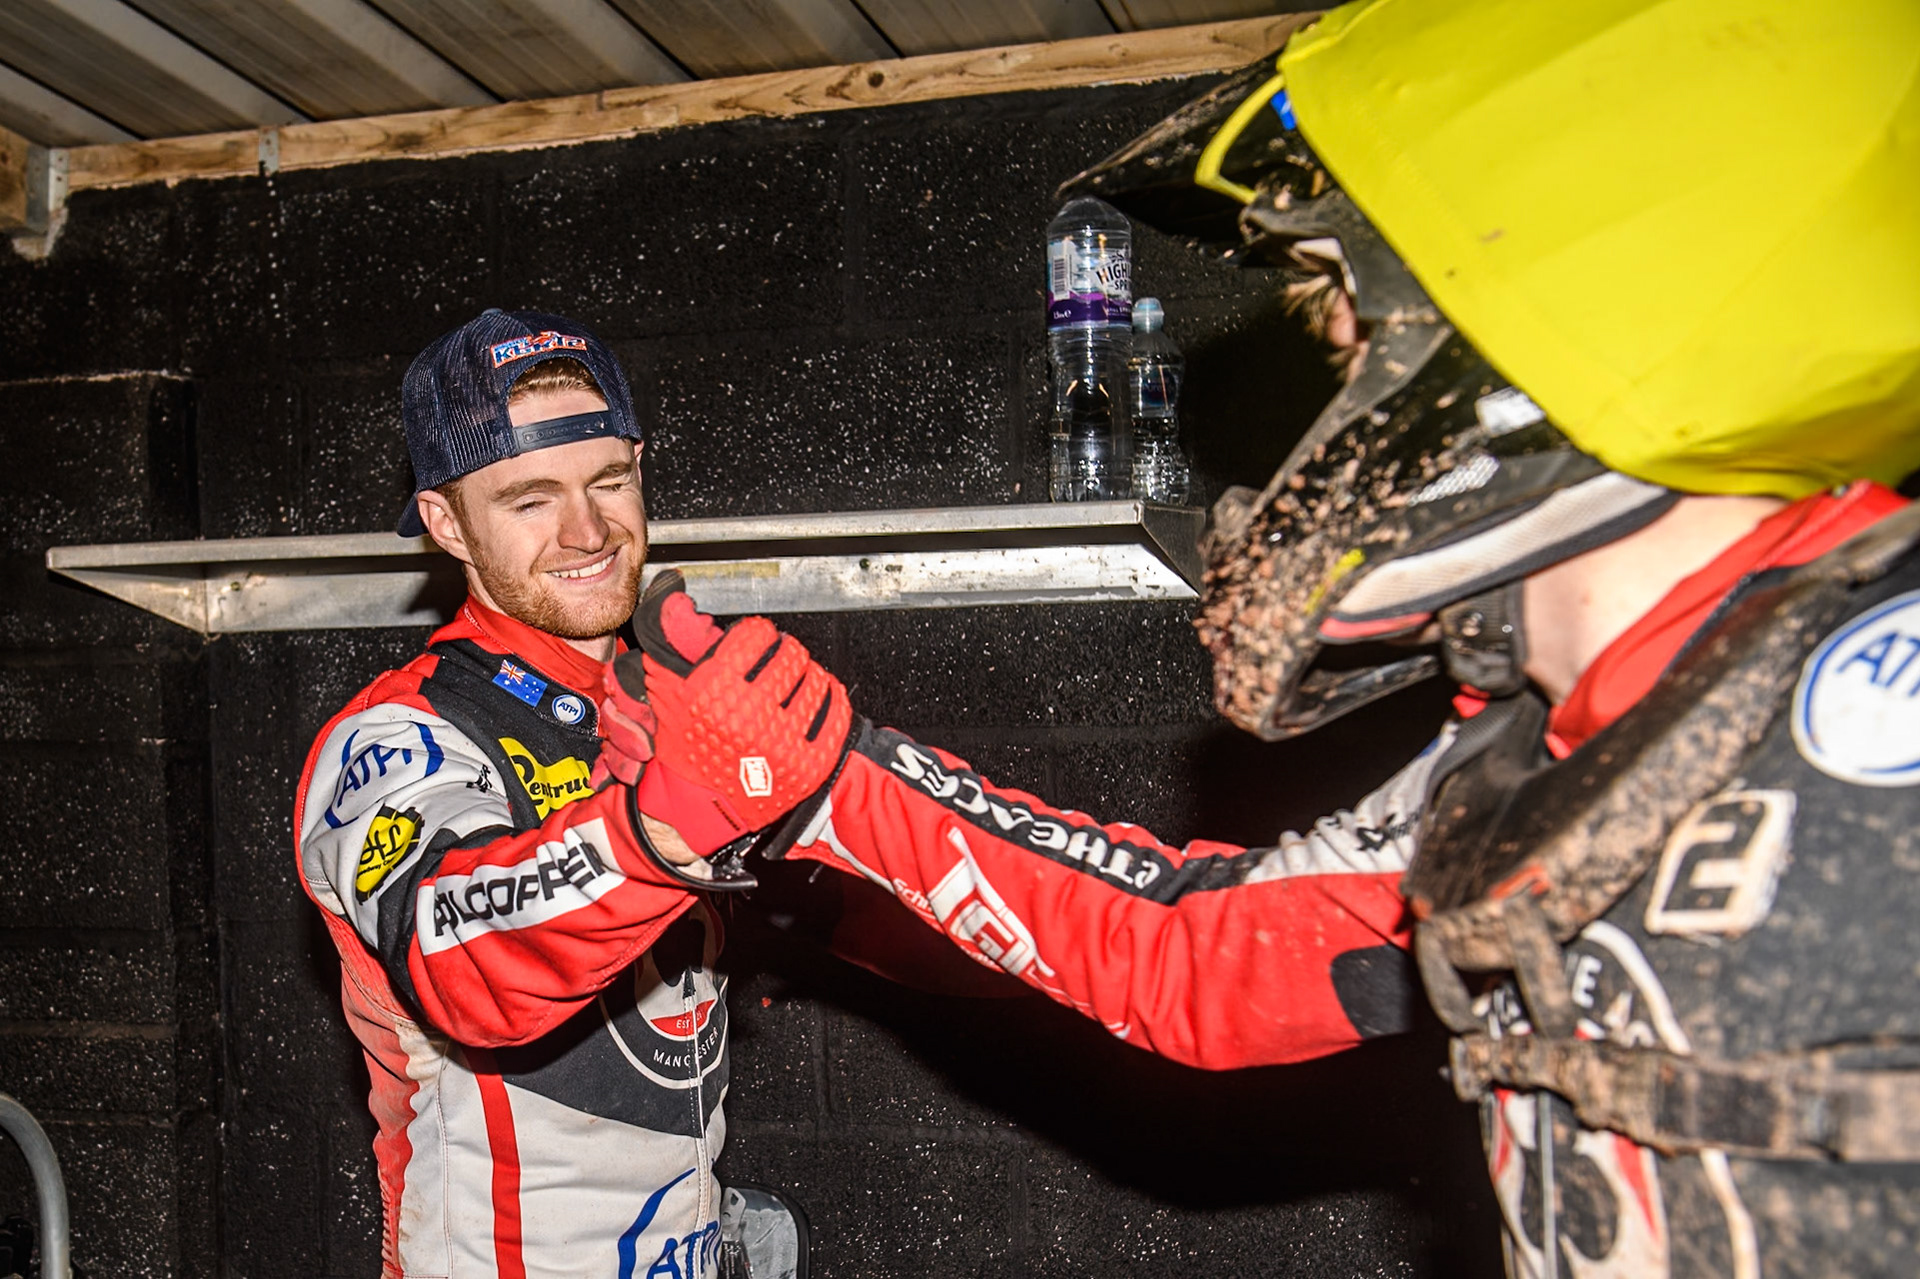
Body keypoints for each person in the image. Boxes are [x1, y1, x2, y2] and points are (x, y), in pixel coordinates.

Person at [608, 1, 1920, 1274]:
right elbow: (1200, 954)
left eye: (1347, 317)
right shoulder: (1546, 746)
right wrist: (842, 784)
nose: (1333, 371)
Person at [294, 310, 840, 1278]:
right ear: (446, 522)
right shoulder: (391, 741)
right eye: (530, 498)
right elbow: (457, 954)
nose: (587, 531)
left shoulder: (670, 704)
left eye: (609, 482)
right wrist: (661, 835)